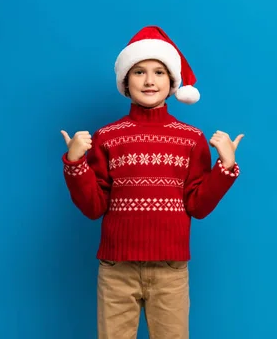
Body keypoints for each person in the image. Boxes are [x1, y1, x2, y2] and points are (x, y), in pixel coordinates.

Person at [60, 26, 244, 338]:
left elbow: (197, 206)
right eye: (139, 72)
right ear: (125, 82)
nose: (149, 81)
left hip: (170, 270)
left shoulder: (191, 139)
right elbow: (94, 207)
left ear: (172, 82)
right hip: (116, 270)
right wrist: (75, 164)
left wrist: (224, 167)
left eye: (159, 72)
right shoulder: (107, 137)